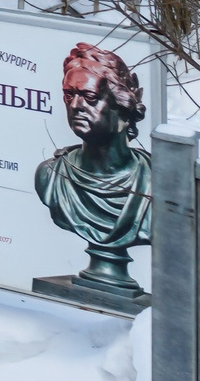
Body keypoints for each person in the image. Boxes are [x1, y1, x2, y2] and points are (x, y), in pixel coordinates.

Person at [33, 43, 153, 301]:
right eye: (68, 95)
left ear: (122, 107)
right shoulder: (51, 176)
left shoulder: (159, 184)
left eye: (89, 97)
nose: (75, 105)